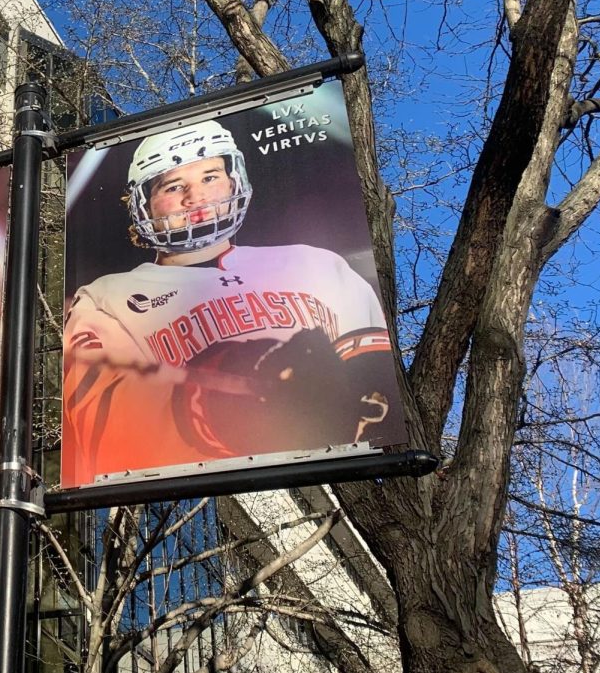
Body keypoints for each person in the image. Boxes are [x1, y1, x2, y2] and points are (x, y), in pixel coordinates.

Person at [61, 118, 401, 489]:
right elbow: (107, 419)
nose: (197, 198)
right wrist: (226, 403)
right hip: (210, 485)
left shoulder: (317, 263)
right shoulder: (105, 298)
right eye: (174, 186)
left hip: (341, 478)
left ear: (233, 179)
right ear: (143, 204)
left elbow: (380, 377)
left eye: (210, 177)